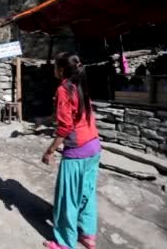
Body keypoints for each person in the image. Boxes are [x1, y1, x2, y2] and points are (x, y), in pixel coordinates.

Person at [42, 53, 100, 249]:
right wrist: (48, 119)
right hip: (94, 146)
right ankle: (87, 235)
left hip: (77, 152)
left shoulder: (62, 89)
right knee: (87, 193)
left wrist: (49, 151)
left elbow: (65, 128)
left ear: (60, 70)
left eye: (54, 66)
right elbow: (73, 113)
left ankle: (65, 243)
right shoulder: (80, 84)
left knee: (67, 199)